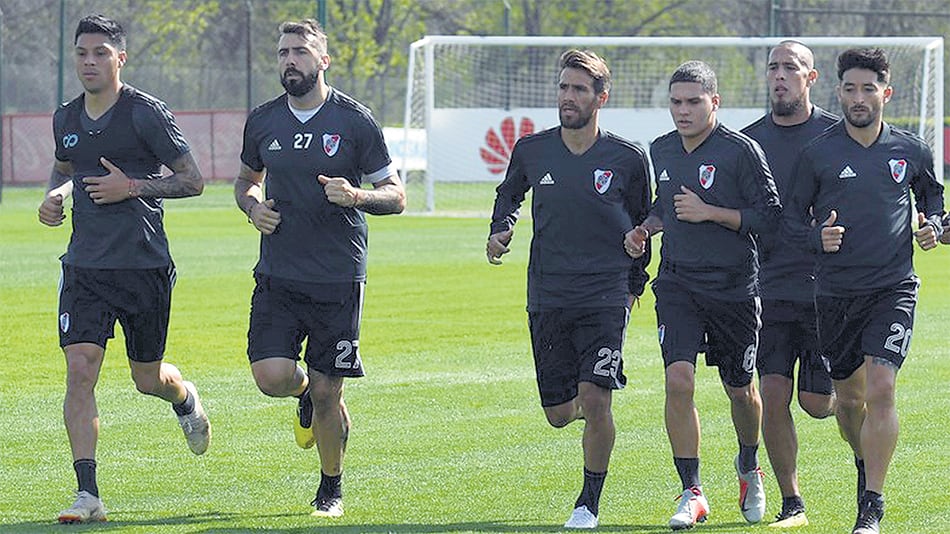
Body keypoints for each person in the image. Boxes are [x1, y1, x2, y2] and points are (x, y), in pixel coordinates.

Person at [36, 14, 210, 524]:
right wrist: (57, 194)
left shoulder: (145, 114)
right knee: (80, 369)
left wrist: (131, 187)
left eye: (100, 53)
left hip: (143, 266)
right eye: (82, 53)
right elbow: (67, 167)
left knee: (147, 377)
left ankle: (183, 397)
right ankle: (87, 494)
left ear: (120, 58)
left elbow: (193, 181)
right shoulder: (65, 118)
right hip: (86, 266)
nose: (90, 62)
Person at [233, 19, 405, 519]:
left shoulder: (355, 121)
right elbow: (246, 180)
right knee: (271, 377)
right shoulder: (263, 120)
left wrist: (356, 196)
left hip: (337, 276)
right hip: (278, 274)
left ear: (323, 61)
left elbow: (396, 196)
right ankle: (304, 391)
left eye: (301, 52)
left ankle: (330, 487)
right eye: (284, 52)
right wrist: (252, 205)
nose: (290, 60)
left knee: (332, 392)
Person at [487, 49, 651, 530]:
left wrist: (635, 283)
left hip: (605, 293)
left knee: (597, 398)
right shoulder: (533, 150)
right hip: (548, 294)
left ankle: (588, 502)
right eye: (563, 87)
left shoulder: (626, 157)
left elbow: (644, 223)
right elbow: (508, 193)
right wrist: (500, 228)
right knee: (560, 414)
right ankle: (584, 407)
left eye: (579, 89)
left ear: (601, 97)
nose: (568, 97)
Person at [782, 47, 944, 534]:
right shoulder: (818, 154)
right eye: (850, 88)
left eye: (868, 88)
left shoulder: (911, 150)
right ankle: (864, 460)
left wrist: (933, 223)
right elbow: (788, 220)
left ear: (885, 93)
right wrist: (816, 238)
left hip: (892, 288)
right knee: (849, 402)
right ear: (839, 92)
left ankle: (871, 505)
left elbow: (932, 197)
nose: (858, 97)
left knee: (882, 388)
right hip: (835, 295)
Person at [625, 60, 781, 530]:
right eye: (676, 102)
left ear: (715, 102)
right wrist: (647, 228)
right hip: (678, 283)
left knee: (741, 390)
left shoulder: (741, 151)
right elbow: (665, 205)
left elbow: (771, 218)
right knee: (678, 381)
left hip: (734, 287)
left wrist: (711, 212)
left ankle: (749, 466)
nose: (683, 111)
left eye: (694, 101)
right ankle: (691, 491)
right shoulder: (662, 149)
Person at [740, 40, 838, 528]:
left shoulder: (838, 137)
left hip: (826, 291)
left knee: (818, 404)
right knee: (773, 393)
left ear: (811, 77)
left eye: (791, 68)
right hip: (767, 289)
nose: (780, 76)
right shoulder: (747, 143)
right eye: (773, 68)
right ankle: (791, 501)